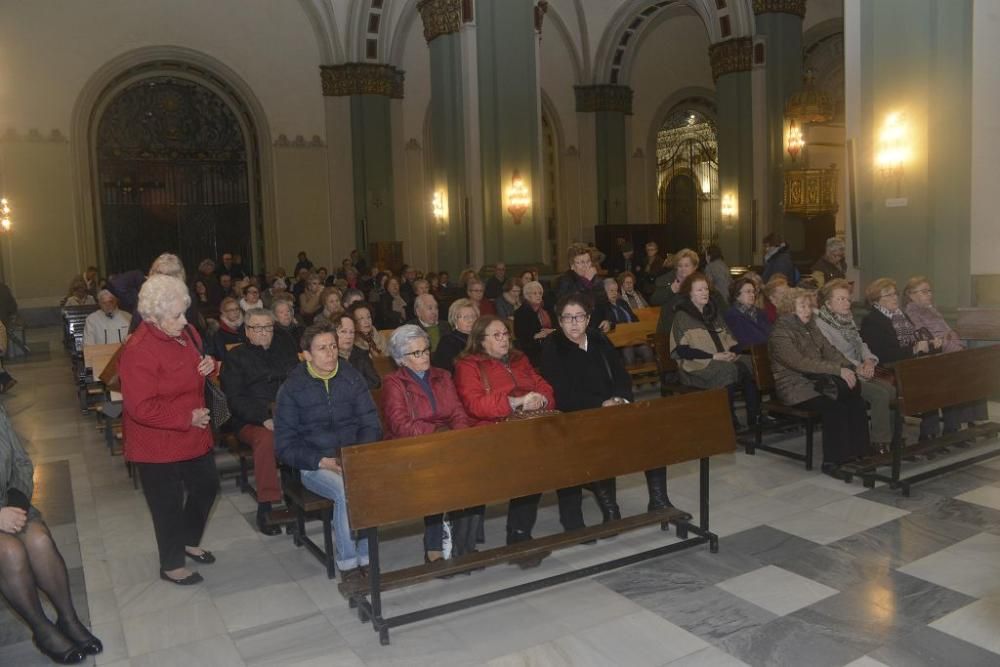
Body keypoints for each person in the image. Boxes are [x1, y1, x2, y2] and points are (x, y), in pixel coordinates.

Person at [120, 275, 218, 585]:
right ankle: (171, 564)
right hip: (157, 442)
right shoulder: (139, 349)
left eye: (184, 311)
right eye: (176, 315)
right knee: (167, 504)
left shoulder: (187, 332)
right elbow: (141, 407)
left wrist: (208, 365)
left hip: (193, 433)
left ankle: (188, 539)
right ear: (153, 316)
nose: (185, 320)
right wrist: (186, 418)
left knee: (207, 485)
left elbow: (199, 364)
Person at [274, 322, 382, 584]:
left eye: (333, 346)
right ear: (306, 355)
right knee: (346, 490)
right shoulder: (292, 388)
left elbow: (371, 423)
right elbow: (285, 446)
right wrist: (321, 461)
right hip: (315, 463)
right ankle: (348, 563)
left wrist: (354, 456)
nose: (330, 353)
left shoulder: (351, 377)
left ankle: (367, 557)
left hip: (352, 457)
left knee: (366, 484)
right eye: (322, 348)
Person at [0, 405, 102, 665]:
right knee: (10, 551)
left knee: (39, 540)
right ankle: (42, 630)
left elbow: (22, 462)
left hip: (9, 505)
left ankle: (68, 619)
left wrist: (18, 502)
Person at [453, 316, 556, 566]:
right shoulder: (468, 365)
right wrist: (516, 402)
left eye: (505, 334)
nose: (503, 340)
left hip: (527, 427)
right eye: (496, 335)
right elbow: (474, 404)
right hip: (492, 432)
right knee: (526, 469)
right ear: (480, 340)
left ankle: (519, 535)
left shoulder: (520, 359)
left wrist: (540, 399)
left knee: (536, 470)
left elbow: (543, 385)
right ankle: (497, 540)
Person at [382, 326, 478, 563]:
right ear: (401, 359)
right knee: (438, 475)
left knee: (473, 468)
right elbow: (401, 426)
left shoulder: (442, 375)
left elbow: (457, 411)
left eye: (426, 350)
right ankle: (434, 544)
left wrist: (459, 435)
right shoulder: (394, 383)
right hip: (413, 447)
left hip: (446, 441)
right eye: (416, 353)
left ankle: (464, 542)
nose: (424, 356)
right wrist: (438, 435)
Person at [539, 294, 629, 528]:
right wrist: (600, 405)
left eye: (579, 317)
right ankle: (572, 519)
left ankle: (614, 508)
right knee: (576, 457)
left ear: (588, 318)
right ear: (559, 321)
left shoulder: (599, 339)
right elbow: (561, 392)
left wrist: (619, 398)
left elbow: (620, 373)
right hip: (571, 416)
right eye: (568, 318)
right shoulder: (552, 346)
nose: (574, 322)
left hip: (608, 411)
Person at [769, 288, 871, 472]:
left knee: (857, 402)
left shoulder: (811, 326)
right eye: (802, 306)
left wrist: (851, 367)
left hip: (818, 382)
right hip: (795, 387)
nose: (807, 310)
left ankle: (860, 453)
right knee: (835, 408)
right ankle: (833, 462)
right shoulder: (780, 333)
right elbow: (799, 363)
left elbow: (829, 350)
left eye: (809, 305)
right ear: (789, 308)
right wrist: (837, 370)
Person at [220, 308, 299, 534]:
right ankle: (267, 506)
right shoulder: (235, 357)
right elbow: (234, 399)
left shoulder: (285, 351)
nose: (264, 332)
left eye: (268, 327)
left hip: (285, 414)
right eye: (258, 328)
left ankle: (298, 502)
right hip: (251, 420)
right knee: (268, 439)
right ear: (247, 331)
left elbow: (297, 383)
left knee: (306, 433)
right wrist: (263, 417)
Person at [670, 272, 761, 428]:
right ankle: (728, 420)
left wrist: (733, 352)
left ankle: (755, 417)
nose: (705, 292)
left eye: (706, 289)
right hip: (696, 365)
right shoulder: (682, 316)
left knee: (752, 364)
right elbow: (683, 351)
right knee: (727, 371)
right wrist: (714, 356)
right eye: (699, 290)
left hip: (722, 359)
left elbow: (729, 339)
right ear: (689, 293)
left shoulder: (713, 312)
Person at [815, 279, 896, 453]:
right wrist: (857, 367)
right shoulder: (822, 325)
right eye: (841, 299)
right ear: (828, 304)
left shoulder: (847, 320)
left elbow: (861, 344)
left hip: (860, 367)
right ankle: (879, 443)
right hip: (840, 374)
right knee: (880, 394)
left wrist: (869, 361)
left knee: (891, 386)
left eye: (848, 299)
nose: (847, 303)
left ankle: (892, 436)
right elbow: (833, 353)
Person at [903, 275, 989, 429]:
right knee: (964, 372)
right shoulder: (911, 313)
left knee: (977, 367)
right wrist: (952, 344)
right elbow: (928, 338)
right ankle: (961, 422)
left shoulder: (932, 310)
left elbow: (950, 332)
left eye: (930, 291)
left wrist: (958, 345)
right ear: (911, 295)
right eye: (924, 291)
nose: (929, 294)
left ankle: (972, 419)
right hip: (933, 357)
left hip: (949, 351)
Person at [556, 245, 611, 331]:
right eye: (581, 262)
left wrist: (608, 320)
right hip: (575, 331)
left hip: (597, 331)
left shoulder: (596, 280)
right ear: (572, 265)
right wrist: (586, 282)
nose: (586, 265)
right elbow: (571, 304)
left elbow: (606, 304)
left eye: (588, 261)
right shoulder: (564, 281)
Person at [604, 278, 654, 366]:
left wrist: (635, 329)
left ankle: (649, 377)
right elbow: (610, 323)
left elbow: (634, 318)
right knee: (628, 352)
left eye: (616, 290)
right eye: (611, 291)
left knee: (647, 350)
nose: (614, 293)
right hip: (619, 341)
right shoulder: (603, 307)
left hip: (634, 338)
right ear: (604, 291)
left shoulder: (622, 303)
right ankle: (630, 379)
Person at [513, 280, 557, 367]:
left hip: (550, 343)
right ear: (527, 296)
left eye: (540, 293)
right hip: (532, 349)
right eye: (535, 293)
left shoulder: (547, 309)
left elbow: (558, 327)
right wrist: (536, 336)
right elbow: (521, 336)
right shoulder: (521, 313)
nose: (538, 296)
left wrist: (551, 331)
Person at [724, 277, 771, 351]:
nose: (752, 295)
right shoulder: (733, 315)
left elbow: (770, 334)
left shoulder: (761, 313)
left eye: (753, 292)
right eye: (748, 292)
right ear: (737, 295)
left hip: (766, 352)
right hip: (747, 355)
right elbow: (745, 341)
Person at [432, 298, 478, 374]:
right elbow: (444, 373)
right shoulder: (447, 342)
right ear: (455, 320)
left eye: (473, 316)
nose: (470, 320)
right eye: (465, 317)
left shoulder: (482, 338)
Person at [335, 315, 380, 390]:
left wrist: (352, 387)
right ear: (333, 333)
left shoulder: (361, 354)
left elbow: (375, 382)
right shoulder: (327, 357)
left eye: (352, 332)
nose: (349, 336)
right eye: (343, 331)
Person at [208, 297, 244, 361]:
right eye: (231, 310)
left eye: (237, 309)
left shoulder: (247, 326)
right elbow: (220, 355)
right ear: (224, 312)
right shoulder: (217, 331)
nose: (235, 312)